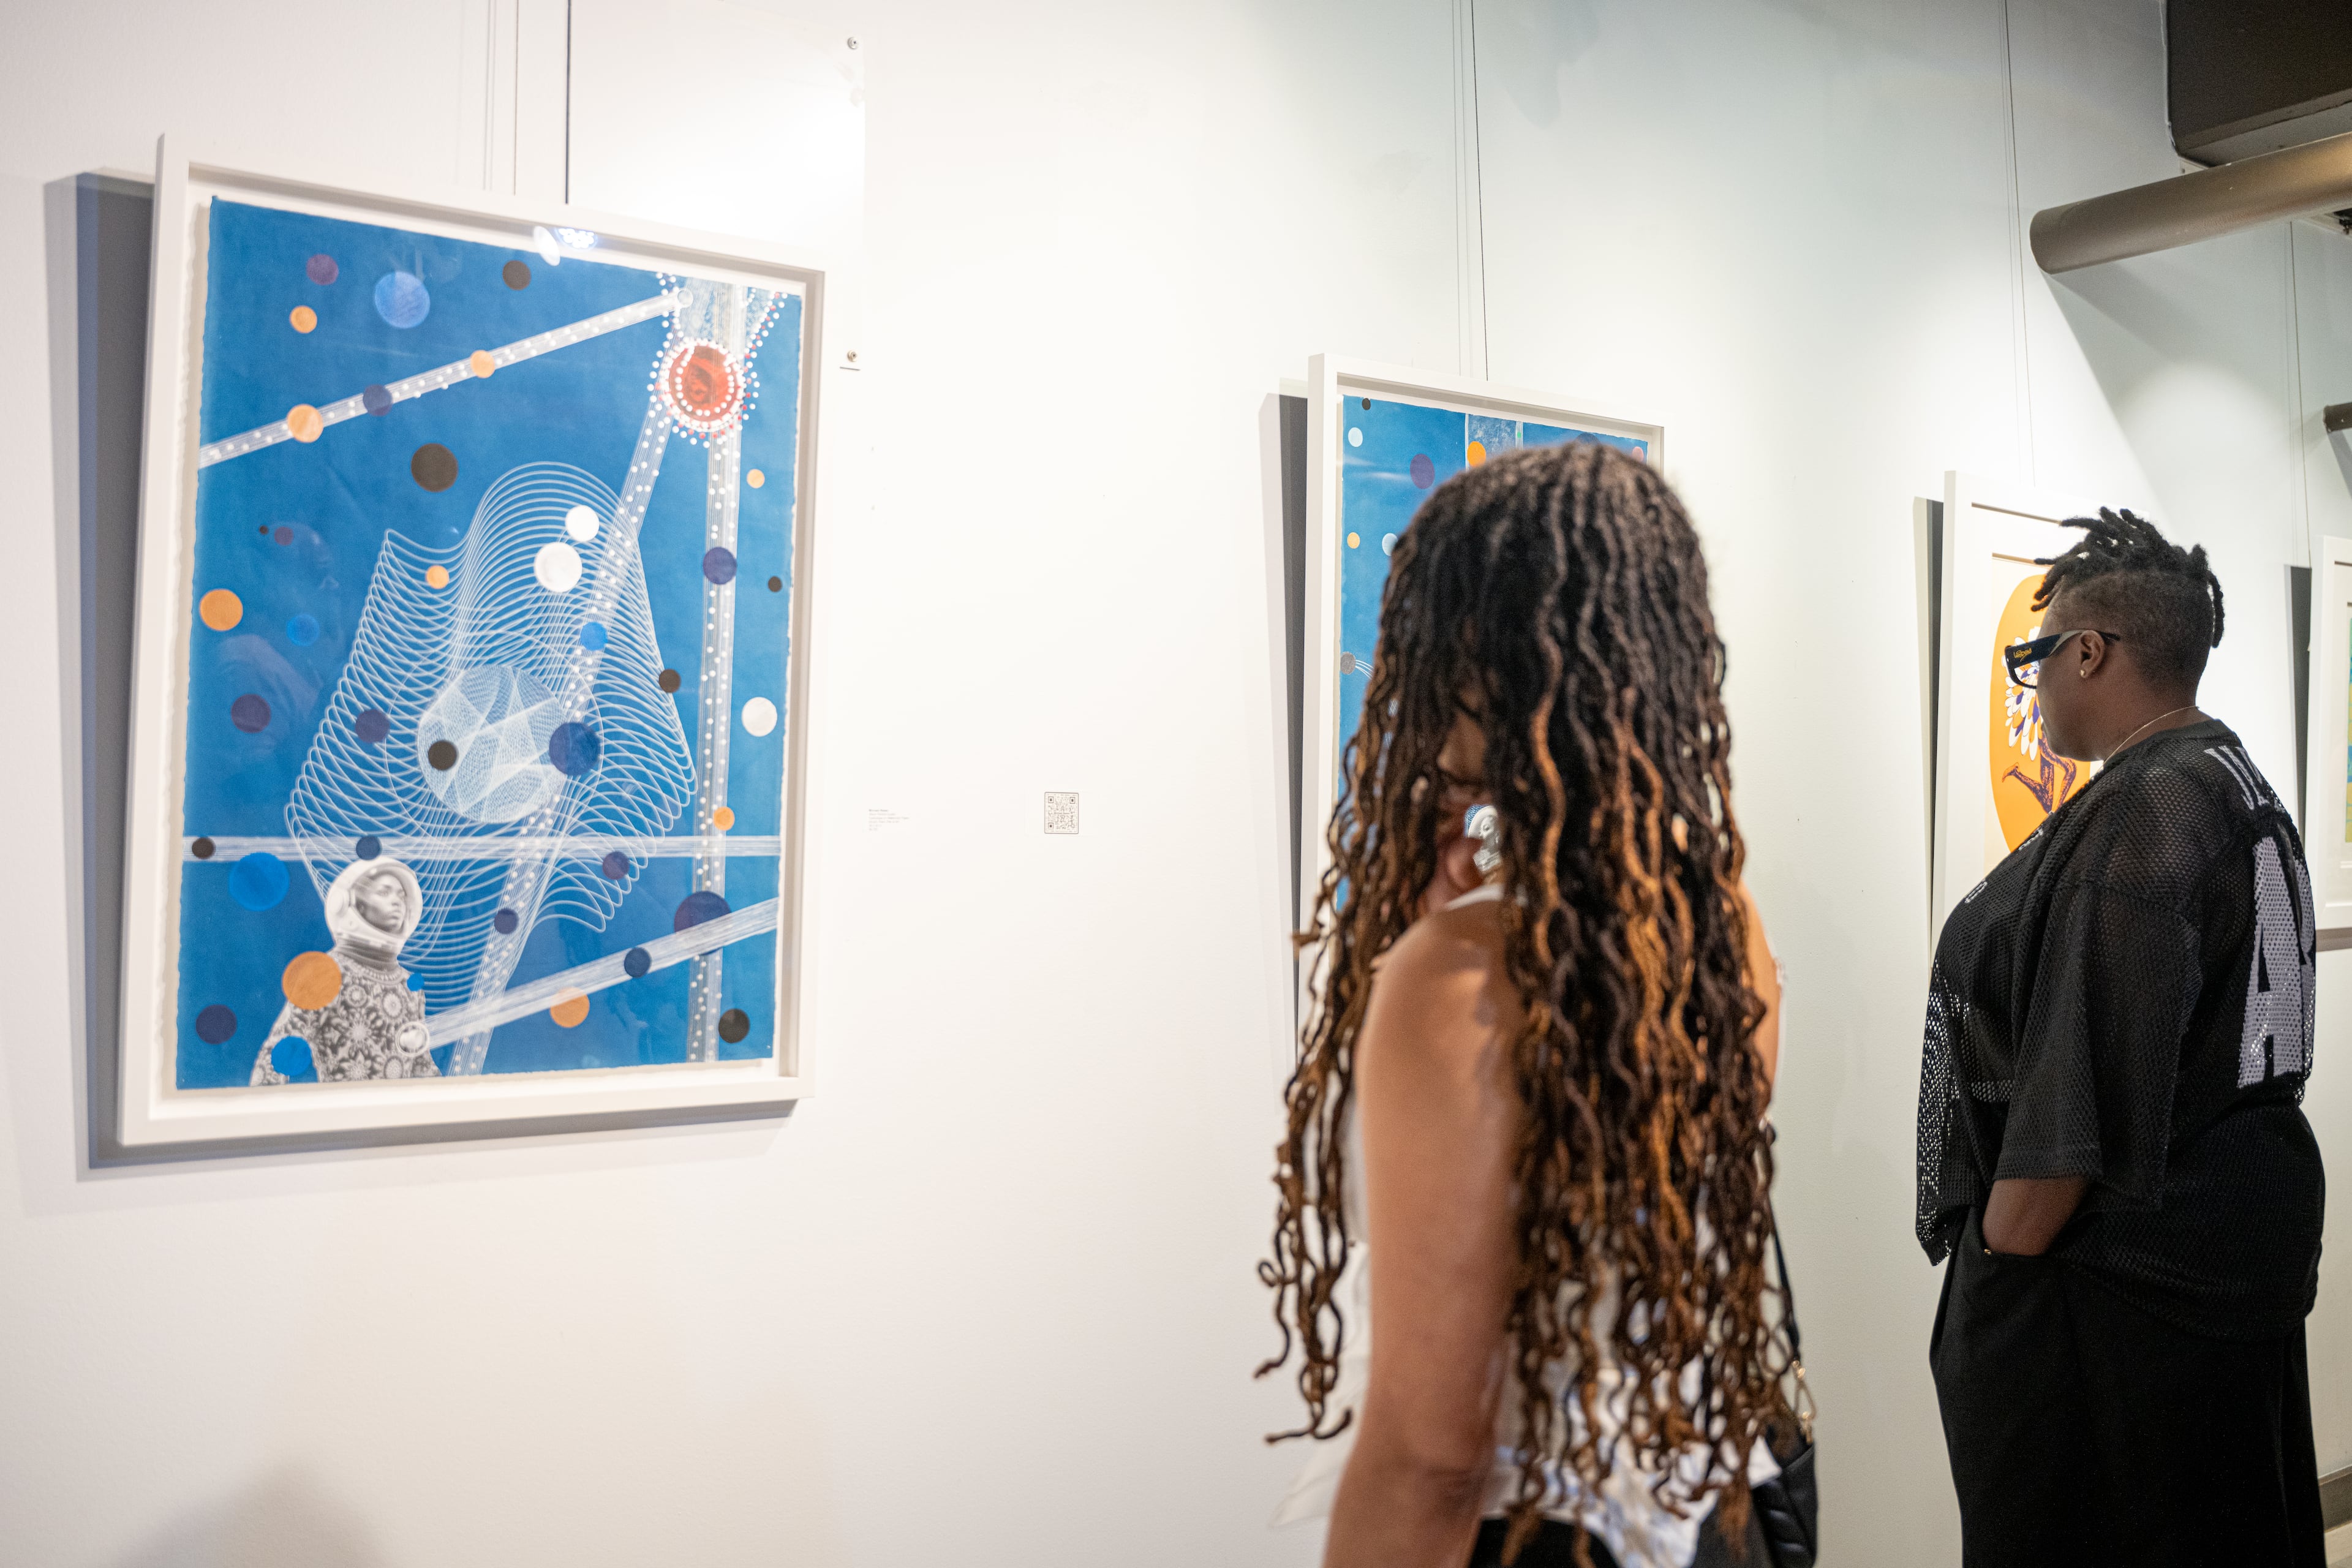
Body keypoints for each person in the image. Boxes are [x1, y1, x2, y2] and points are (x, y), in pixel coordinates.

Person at [1261, 443, 1792, 1567]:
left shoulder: (1459, 980)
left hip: (1530, 1537)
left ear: (1477, 656)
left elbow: (1433, 1455)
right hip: (1691, 1517)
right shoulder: (1715, 919)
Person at [1916, 508, 2324, 1566]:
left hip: (2123, 1302)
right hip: (2220, 1264)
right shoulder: (2229, 778)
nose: (2033, 687)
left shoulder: (2149, 810)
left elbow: (2076, 1110)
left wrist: (1999, 1262)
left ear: (2090, 652)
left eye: (2036, 661)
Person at [251, 856, 436, 1083]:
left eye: (401, 895)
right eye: (384, 892)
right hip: (344, 1106)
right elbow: (277, 1056)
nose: (398, 902)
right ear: (354, 903)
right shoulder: (325, 973)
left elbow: (421, 1065)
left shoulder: (409, 987)